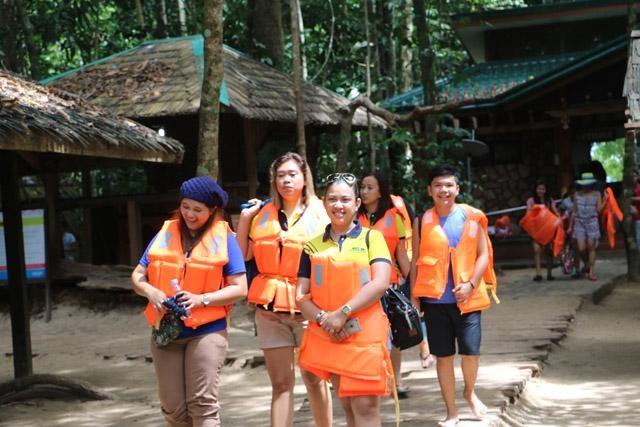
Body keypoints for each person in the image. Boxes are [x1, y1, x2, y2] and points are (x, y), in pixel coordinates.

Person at [130, 176, 248, 427]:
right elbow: (138, 276)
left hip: (207, 331)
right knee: (173, 409)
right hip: (166, 331)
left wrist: (200, 299)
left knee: (202, 405)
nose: (190, 214)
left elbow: (240, 289)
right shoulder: (165, 232)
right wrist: (151, 292)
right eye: (185, 207)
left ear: (212, 210)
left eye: (197, 209)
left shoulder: (224, 238)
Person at [235, 152, 332, 427]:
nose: (286, 180)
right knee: (280, 384)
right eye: (281, 175)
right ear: (273, 180)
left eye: (292, 174)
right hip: (269, 311)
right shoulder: (261, 214)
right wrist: (244, 220)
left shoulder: (321, 211)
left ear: (304, 177)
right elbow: (242, 256)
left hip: (308, 309)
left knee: (315, 379)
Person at [296, 172, 392, 427]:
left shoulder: (373, 238)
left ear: (357, 203)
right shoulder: (312, 246)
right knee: (348, 406)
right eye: (332, 199)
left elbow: (381, 282)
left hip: (364, 335)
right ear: (324, 202)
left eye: (345, 200)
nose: (338, 205)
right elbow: (301, 295)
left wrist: (343, 313)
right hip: (329, 333)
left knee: (366, 408)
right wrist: (325, 320)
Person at [410, 164, 492, 427]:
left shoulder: (472, 216)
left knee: (471, 352)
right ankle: (451, 412)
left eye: (448, 185)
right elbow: (415, 262)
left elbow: (483, 255)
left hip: (467, 300)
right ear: (429, 190)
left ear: (457, 188)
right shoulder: (421, 221)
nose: (443, 190)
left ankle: (469, 392)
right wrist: (414, 298)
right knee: (443, 357)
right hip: (434, 303)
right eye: (438, 185)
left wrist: (470, 283)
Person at [358, 172, 430, 398]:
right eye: (362, 187)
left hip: (389, 287)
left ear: (381, 191)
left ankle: (395, 382)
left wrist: (413, 286)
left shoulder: (394, 217)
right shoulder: (351, 217)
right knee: (364, 337)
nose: (364, 191)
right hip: (358, 286)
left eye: (370, 187)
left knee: (394, 335)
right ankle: (370, 381)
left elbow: (401, 254)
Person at [568, 172, 606, 281]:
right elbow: (574, 212)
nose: (586, 185)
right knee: (581, 248)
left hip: (592, 222)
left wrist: (605, 200)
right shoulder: (577, 194)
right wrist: (570, 226)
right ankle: (587, 264)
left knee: (591, 246)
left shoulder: (597, 194)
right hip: (579, 222)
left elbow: (599, 210)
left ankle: (591, 272)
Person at [526, 180, 559, 281]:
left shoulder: (550, 200)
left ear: (546, 190)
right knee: (537, 251)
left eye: (543, 189)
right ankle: (538, 273)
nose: (541, 191)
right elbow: (528, 213)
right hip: (536, 229)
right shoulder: (531, 201)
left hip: (548, 229)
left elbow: (555, 211)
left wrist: (559, 219)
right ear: (535, 190)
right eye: (539, 188)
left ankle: (549, 273)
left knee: (549, 251)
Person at [631, 170, 640, 254]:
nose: (632, 178)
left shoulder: (639, 187)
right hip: (632, 218)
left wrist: (630, 199)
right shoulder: (628, 189)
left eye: (634, 176)